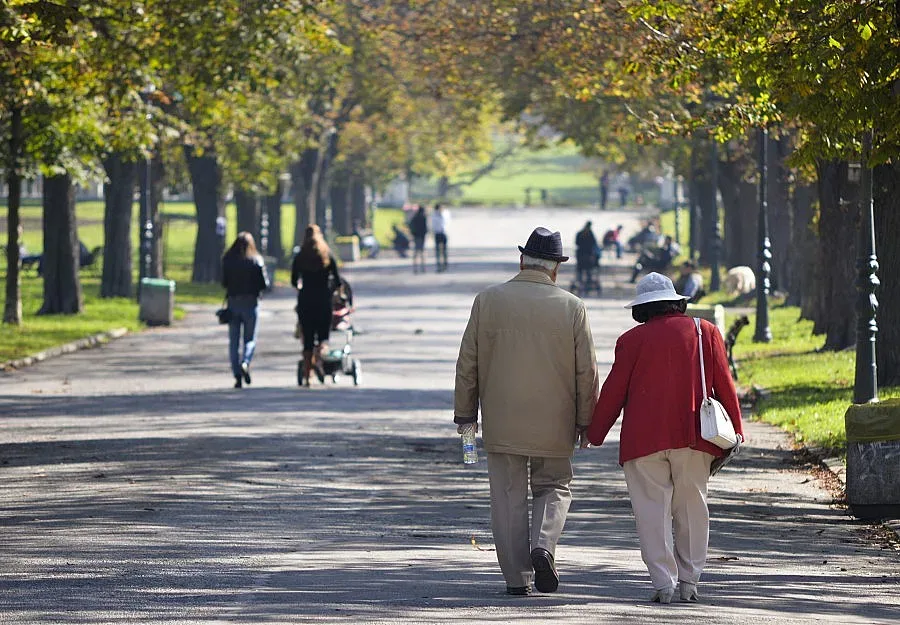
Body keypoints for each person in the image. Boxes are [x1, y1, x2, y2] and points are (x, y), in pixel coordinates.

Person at [454, 227, 599, 596]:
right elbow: (587, 370)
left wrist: (466, 415)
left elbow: (467, 362)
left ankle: (517, 578)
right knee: (554, 486)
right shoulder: (571, 307)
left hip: (502, 418)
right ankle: (543, 545)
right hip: (556, 418)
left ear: (522, 260)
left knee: (507, 495)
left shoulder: (487, 300)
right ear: (556, 269)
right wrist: (586, 420)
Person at [585, 272, 744, 604]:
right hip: (695, 436)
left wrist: (594, 433)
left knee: (651, 511)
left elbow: (613, 393)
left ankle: (663, 582)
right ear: (677, 301)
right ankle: (690, 581)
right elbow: (724, 385)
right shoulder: (705, 332)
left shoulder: (631, 341)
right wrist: (736, 431)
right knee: (692, 508)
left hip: (643, 441)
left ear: (641, 309)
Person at [291, 224, 341, 387]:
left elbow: (293, 280)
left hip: (306, 300)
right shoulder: (326, 254)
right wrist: (331, 290)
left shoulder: (300, 255)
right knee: (323, 337)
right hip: (323, 300)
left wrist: (301, 287)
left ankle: (308, 374)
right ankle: (319, 360)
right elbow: (338, 280)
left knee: (307, 339)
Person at [222, 232, 269, 389]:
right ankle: (245, 361)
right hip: (251, 303)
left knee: (234, 341)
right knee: (250, 339)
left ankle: (236, 374)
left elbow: (224, 282)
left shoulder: (228, 260)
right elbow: (264, 284)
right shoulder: (256, 261)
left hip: (233, 302)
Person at [574, 221, 600, 292]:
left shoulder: (580, 233)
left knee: (580, 271)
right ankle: (587, 286)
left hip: (581, 254)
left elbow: (576, 243)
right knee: (588, 271)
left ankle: (580, 285)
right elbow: (594, 244)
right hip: (588, 255)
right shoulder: (590, 234)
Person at [408, 204, 428, 274]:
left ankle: (415, 267)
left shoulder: (415, 217)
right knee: (421, 252)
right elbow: (425, 228)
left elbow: (410, 225)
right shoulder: (423, 218)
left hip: (416, 236)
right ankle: (423, 267)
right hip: (421, 237)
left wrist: (413, 234)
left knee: (416, 252)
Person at [431, 203, 450, 272]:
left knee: (444, 250)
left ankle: (445, 264)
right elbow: (433, 226)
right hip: (437, 233)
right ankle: (439, 265)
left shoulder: (445, 214)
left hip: (443, 233)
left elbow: (446, 222)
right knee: (438, 251)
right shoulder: (434, 215)